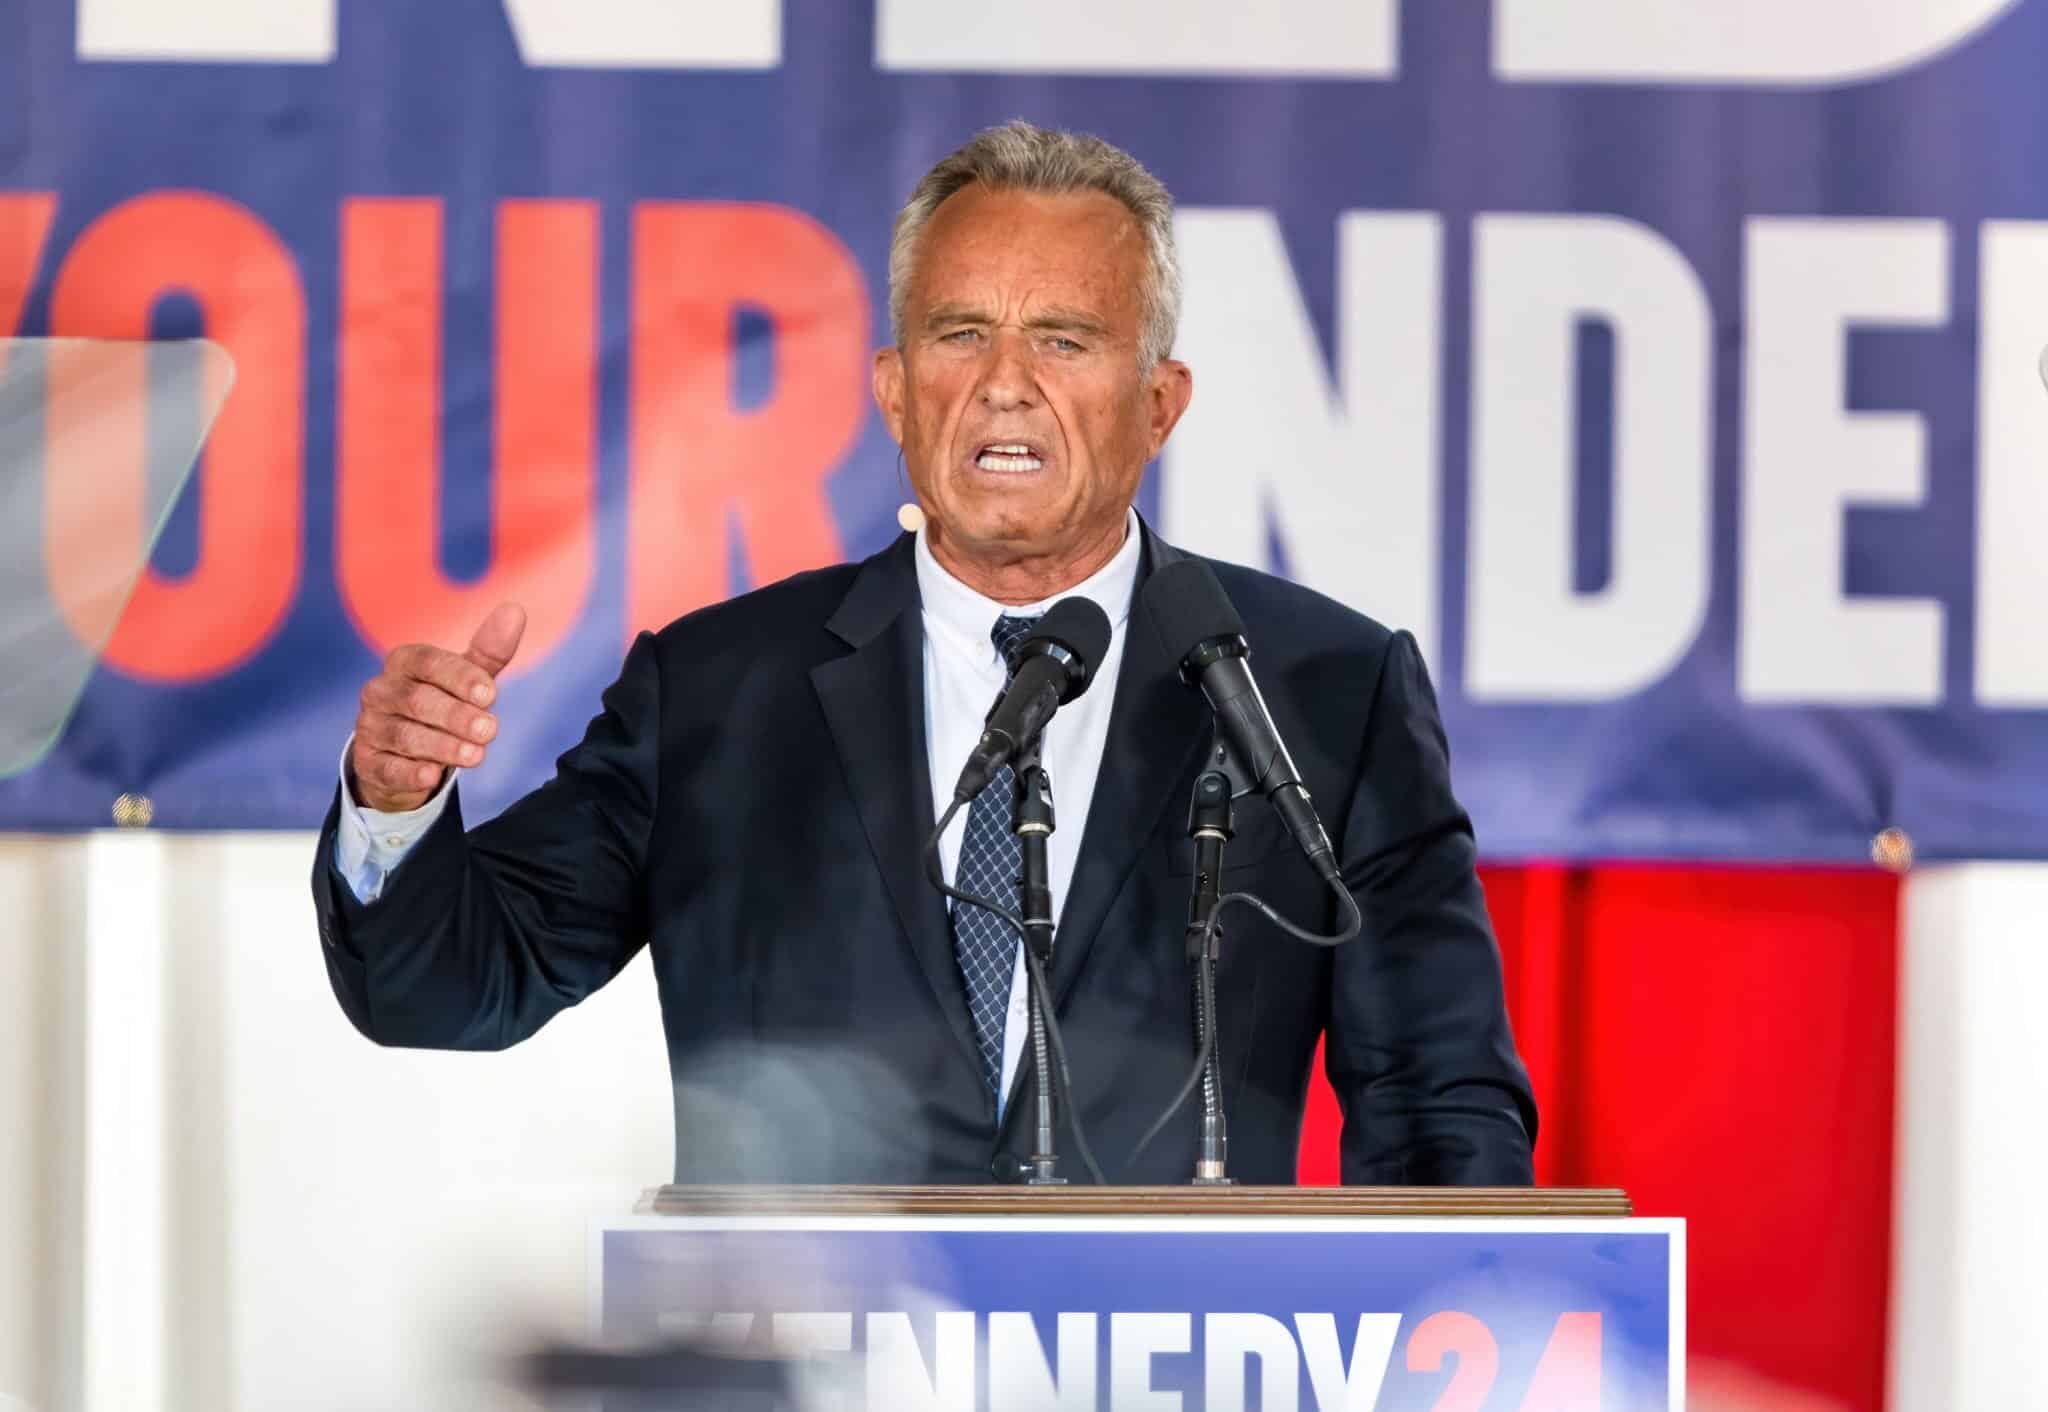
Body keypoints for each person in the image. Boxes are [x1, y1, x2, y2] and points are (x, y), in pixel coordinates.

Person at [311, 120, 1536, 1186]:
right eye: (960, 334)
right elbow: (449, 986)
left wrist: (1439, 1323)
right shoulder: (720, 692)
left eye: (1064, 339)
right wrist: (395, 803)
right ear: (895, 391)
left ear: (1158, 402)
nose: (1004, 384)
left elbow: (1440, 1107)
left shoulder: (1320, 690)